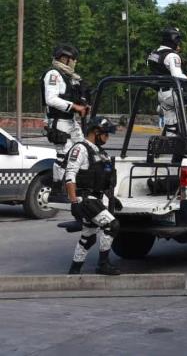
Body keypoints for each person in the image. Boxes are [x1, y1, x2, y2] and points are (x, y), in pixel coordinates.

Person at [65, 117, 121, 275]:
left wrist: (112, 198)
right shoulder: (80, 149)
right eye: (106, 134)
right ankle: (103, 264)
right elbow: (70, 175)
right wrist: (74, 201)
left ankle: (74, 269)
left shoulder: (99, 152)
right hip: (85, 199)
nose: (107, 137)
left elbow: (103, 179)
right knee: (111, 225)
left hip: (95, 198)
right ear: (96, 132)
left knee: (88, 236)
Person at [41, 44, 89, 184]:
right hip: (59, 121)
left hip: (70, 121)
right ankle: (59, 187)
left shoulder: (69, 76)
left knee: (81, 152)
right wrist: (75, 107)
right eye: (73, 59)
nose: (75, 62)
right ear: (64, 59)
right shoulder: (53, 74)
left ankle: (76, 186)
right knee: (64, 156)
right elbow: (51, 99)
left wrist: (84, 104)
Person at [147, 27, 187, 129]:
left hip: (161, 95)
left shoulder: (153, 54)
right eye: (178, 41)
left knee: (172, 128)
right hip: (174, 95)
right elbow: (178, 76)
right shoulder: (172, 56)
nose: (179, 44)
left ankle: (170, 143)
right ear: (174, 40)